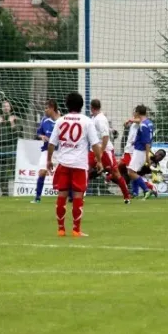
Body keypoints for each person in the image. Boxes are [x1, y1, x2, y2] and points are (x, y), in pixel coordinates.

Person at [47, 92, 102, 237]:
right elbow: (95, 144)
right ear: (81, 105)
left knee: (62, 194)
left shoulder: (60, 120)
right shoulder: (87, 121)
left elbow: (52, 143)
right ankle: (76, 230)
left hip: (63, 163)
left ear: (66, 105)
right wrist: (99, 160)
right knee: (78, 196)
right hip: (79, 164)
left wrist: (48, 160)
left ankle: (61, 229)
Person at [90, 99, 131, 204]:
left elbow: (105, 136)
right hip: (94, 149)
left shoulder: (100, 119)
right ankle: (76, 196)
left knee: (116, 173)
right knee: (83, 169)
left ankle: (127, 197)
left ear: (92, 107)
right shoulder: (94, 118)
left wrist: (102, 152)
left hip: (105, 150)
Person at [30, 99, 60, 204]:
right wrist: (42, 136)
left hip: (60, 152)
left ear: (52, 108)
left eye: (47, 108)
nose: (45, 110)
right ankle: (37, 198)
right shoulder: (44, 120)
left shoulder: (62, 121)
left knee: (64, 174)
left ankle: (71, 197)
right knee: (42, 172)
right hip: (47, 150)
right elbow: (39, 133)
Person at [0, 100, 22, 196]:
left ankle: (17, 192)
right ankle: (4, 193)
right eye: (4, 106)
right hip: (1, 148)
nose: (5, 108)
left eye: (7, 106)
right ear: (1, 108)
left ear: (10, 108)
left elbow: (19, 135)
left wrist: (12, 124)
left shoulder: (15, 118)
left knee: (14, 171)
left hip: (12, 147)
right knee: (2, 172)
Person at [127, 105, 154, 200]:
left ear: (138, 113)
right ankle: (135, 192)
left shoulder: (143, 125)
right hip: (140, 149)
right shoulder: (149, 123)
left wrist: (147, 156)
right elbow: (146, 138)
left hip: (140, 151)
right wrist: (136, 141)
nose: (134, 114)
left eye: (135, 112)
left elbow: (147, 142)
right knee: (135, 171)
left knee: (130, 172)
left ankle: (146, 190)